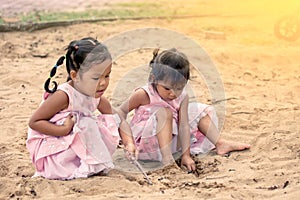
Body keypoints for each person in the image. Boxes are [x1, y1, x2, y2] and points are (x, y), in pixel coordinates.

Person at [117, 48, 250, 172]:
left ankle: (219, 143)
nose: (173, 94)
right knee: (165, 111)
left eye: (179, 88)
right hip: (145, 144)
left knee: (198, 110)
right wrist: (126, 139)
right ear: (153, 79)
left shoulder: (182, 97)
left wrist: (185, 155)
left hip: (171, 140)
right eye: (167, 88)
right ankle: (167, 159)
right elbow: (121, 112)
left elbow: (184, 125)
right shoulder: (144, 94)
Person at [26, 37, 136, 180]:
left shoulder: (95, 96)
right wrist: (63, 129)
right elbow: (34, 122)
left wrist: (129, 143)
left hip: (74, 143)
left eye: (107, 76)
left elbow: (118, 119)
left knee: (98, 123)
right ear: (75, 75)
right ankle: (81, 167)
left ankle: (91, 163)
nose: (103, 83)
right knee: (87, 124)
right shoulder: (64, 96)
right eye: (96, 78)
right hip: (55, 149)